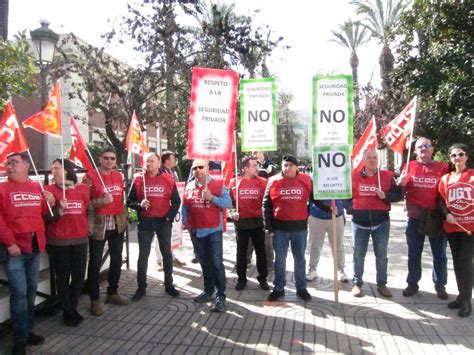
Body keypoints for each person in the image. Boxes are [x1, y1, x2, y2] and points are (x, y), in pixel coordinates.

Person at [0, 152, 56, 353]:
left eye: (14, 162)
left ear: (26, 165)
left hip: (34, 247)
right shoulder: (2, 188)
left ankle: (28, 330)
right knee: (20, 293)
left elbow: (41, 212)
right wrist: (9, 243)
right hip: (15, 249)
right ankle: (19, 339)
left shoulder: (36, 187)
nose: (9, 166)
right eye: (8, 163)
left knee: (31, 291)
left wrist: (50, 201)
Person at [263, 154, 330, 302]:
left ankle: (301, 288)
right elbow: (266, 205)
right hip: (279, 229)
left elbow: (314, 199)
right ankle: (279, 288)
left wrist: (328, 209)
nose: (287, 168)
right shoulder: (272, 181)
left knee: (299, 259)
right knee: (280, 260)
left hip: (299, 228)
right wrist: (268, 226)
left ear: (296, 167)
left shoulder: (306, 180)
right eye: (285, 165)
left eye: (290, 165)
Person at [397, 137, 449, 299]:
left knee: (439, 254)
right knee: (414, 252)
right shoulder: (408, 166)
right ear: (415, 151)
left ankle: (440, 284)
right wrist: (400, 184)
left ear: (433, 149)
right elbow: (399, 193)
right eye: (420, 146)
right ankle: (412, 283)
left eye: (427, 146)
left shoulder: (444, 167)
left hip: (435, 217)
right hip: (415, 217)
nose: (424, 149)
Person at [349, 149, 403, 298]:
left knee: (381, 255)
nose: (372, 160)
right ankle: (357, 283)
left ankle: (382, 284)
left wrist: (385, 196)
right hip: (359, 223)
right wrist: (351, 209)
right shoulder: (354, 176)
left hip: (381, 222)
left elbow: (398, 195)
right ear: (364, 160)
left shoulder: (386, 176)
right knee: (358, 255)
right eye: (369, 158)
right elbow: (345, 196)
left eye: (375, 158)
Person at [127, 152, 181, 301]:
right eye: (146, 162)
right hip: (145, 222)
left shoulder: (168, 179)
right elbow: (129, 201)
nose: (148, 164)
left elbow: (176, 201)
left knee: (166, 254)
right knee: (143, 255)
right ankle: (141, 287)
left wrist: (169, 218)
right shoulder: (139, 179)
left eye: (152, 161)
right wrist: (139, 205)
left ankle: (169, 284)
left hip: (163, 221)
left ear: (158, 164)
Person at [83, 146, 129, 316]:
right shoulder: (89, 177)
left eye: (112, 158)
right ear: (100, 158)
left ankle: (112, 293)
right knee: (95, 263)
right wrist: (101, 201)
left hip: (117, 224)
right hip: (98, 225)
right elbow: (83, 202)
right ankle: (94, 300)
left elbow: (120, 199)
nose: (109, 161)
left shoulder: (118, 176)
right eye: (106, 158)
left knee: (117, 260)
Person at [182, 159, 232, 312]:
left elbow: (228, 203)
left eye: (201, 167)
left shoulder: (218, 184)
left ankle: (220, 296)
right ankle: (208, 290)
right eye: (195, 168)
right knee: (204, 263)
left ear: (208, 168)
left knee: (216, 264)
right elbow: (185, 207)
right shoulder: (190, 186)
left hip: (213, 231)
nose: (198, 170)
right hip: (196, 231)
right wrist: (186, 223)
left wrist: (212, 198)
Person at [45, 159, 89, 327]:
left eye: (57, 168)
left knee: (78, 276)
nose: (53, 171)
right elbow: (45, 218)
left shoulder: (83, 189)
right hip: (58, 241)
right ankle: (68, 312)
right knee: (62, 278)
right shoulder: (48, 191)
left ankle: (72, 307)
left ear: (67, 170)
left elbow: (88, 210)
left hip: (80, 239)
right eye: (52, 168)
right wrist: (58, 209)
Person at [438, 143, 473, 317]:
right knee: (458, 263)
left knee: (466, 263)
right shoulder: (446, 179)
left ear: (467, 157)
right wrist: (447, 214)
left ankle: (467, 301)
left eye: (460, 154)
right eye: (453, 155)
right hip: (453, 228)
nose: (457, 158)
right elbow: (440, 201)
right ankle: (461, 296)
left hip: (470, 229)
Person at [230, 156, 269, 291]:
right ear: (245, 168)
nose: (256, 168)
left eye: (257, 165)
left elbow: (268, 201)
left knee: (261, 252)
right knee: (241, 253)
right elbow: (229, 203)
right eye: (253, 165)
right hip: (241, 224)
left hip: (257, 222)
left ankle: (262, 278)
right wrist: (232, 212)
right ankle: (241, 279)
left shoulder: (263, 182)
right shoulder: (234, 182)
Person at [306, 199, 349, 282]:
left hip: (336, 214)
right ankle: (312, 269)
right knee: (315, 245)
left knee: (338, 245)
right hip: (316, 215)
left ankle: (340, 270)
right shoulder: (312, 184)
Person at [155, 150, 185, 269]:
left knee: (171, 233)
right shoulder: (159, 172)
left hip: (173, 208)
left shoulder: (173, 171)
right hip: (162, 208)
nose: (175, 161)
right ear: (167, 160)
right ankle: (158, 260)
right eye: (173, 159)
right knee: (160, 235)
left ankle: (171, 256)